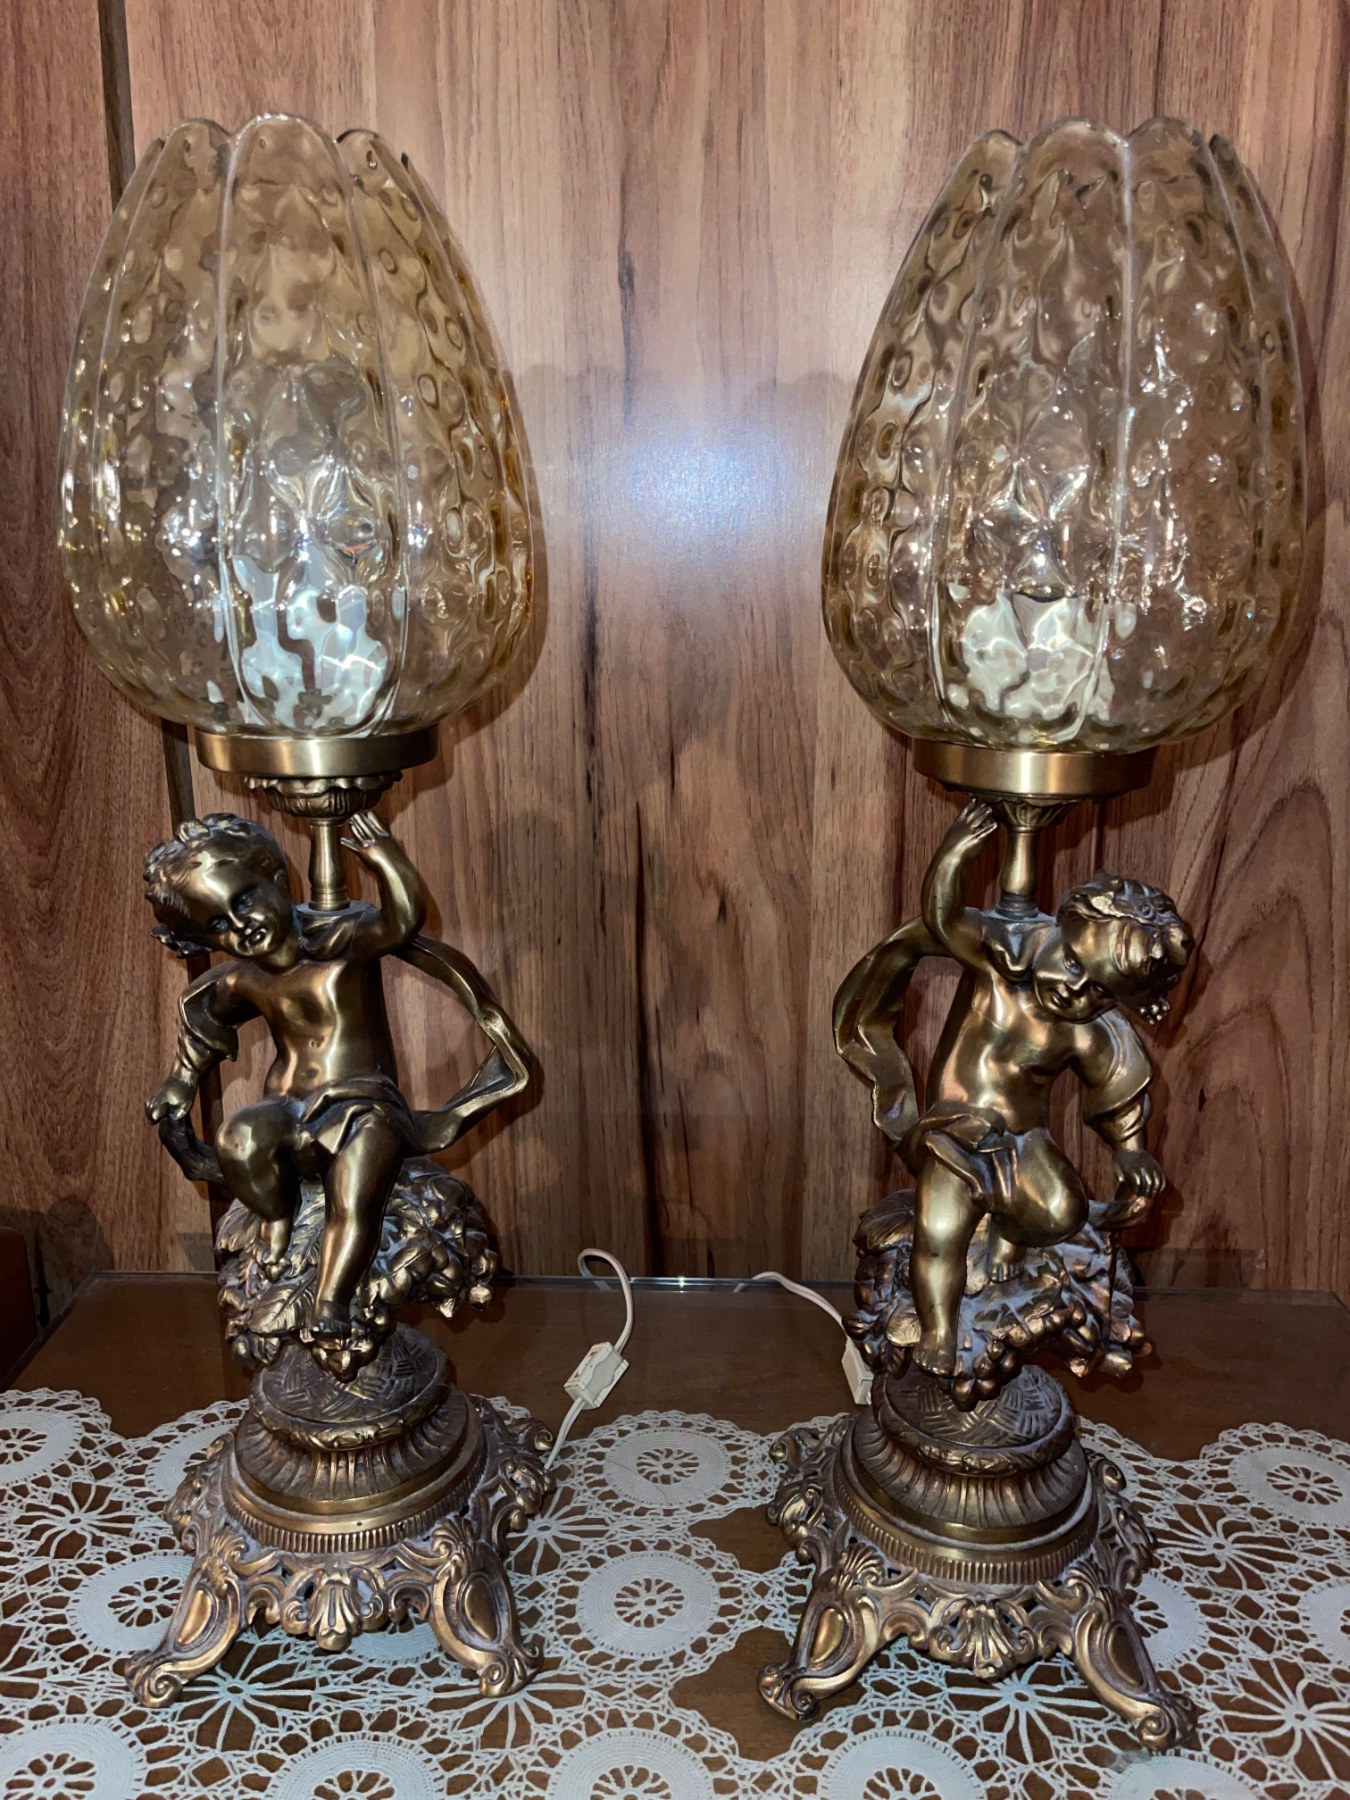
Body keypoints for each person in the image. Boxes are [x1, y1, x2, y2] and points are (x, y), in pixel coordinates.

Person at [904, 798, 1192, 1376]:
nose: (1076, 992)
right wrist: (954, 854)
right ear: (1059, 930)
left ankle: (1009, 1235)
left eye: (1100, 992)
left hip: (1022, 1141)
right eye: (1074, 965)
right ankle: (939, 1328)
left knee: (1063, 1210)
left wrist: (1131, 1152)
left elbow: (1117, 1088)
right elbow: (943, 919)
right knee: (937, 1233)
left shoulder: (1087, 1029)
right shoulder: (999, 963)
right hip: (954, 1132)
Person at [144, 809, 426, 1339]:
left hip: (363, 1102)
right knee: (237, 1138)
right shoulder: (245, 979)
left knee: (355, 1196)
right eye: (218, 925)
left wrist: (387, 860)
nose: (240, 926)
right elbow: (203, 1020)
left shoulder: (343, 944)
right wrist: (181, 1079)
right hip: (287, 1104)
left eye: (243, 900)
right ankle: (277, 1216)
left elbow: (402, 922)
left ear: (276, 877)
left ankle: (331, 1300)